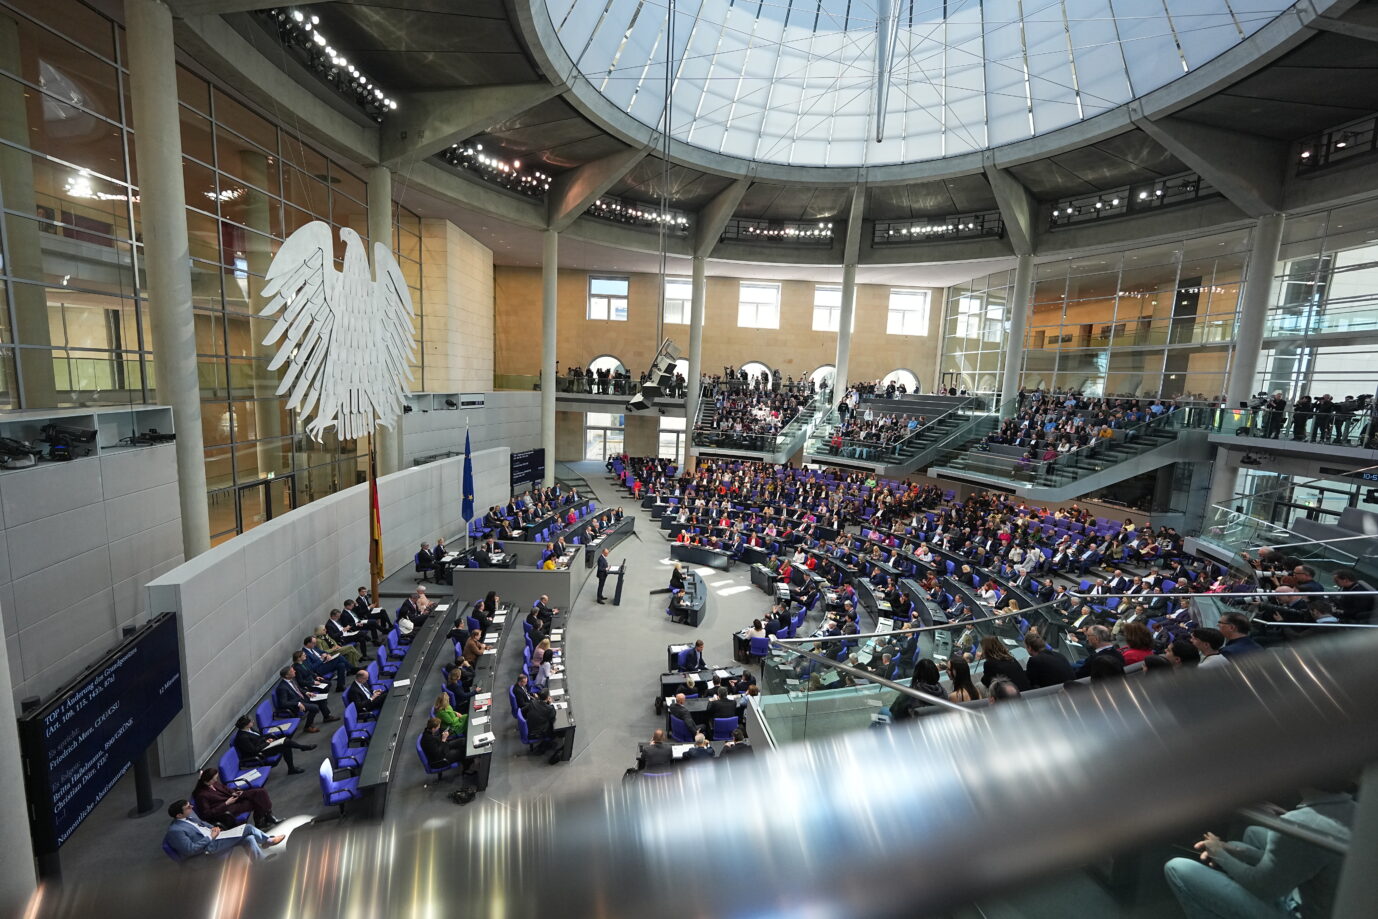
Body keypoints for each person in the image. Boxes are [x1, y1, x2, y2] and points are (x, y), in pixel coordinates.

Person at [1163, 785, 1355, 919]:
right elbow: (1301, 861)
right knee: (1251, 835)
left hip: (1295, 913)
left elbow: (1262, 887)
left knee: (1177, 868)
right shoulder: (1356, 810)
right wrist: (1235, 851)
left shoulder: (1300, 823)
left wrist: (1219, 854)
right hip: (1317, 904)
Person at [163, 799, 283, 863]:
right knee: (247, 828)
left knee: (249, 838)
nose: (192, 808)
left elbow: (203, 825)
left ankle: (260, 862)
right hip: (208, 848)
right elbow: (190, 850)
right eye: (188, 807)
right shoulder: (175, 831)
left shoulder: (189, 816)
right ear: (178, 815)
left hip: (217, 837)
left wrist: (213, 829)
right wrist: (211, 837)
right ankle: (268, 840)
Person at [192, 767, 279, 830]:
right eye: (214, 779)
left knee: (261, 792)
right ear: (206, 780)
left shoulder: (213, 783)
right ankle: (264, 818)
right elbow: (207, 814)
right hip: (226, 809)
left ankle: (266, 816)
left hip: (232, 798)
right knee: (256, 801)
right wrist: (226, 803)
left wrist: (233, 792)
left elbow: (225, 788)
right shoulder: (201, 795)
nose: (216, 781)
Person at [233, 714, 313, 776]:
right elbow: (254, 750)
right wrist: (267, 742)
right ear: (246, 725)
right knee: (285, 744)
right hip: (260, 753)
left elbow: (259, 737)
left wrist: (268, 738)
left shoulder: (249, 729)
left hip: (264, 745)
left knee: (285, 743)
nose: (253, 722)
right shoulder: (242, 737)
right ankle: (302, 748)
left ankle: (292, 767)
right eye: (251, 721)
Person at [273, 665, 331, 733]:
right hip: (295, 704)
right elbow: (284, 703)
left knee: (321, 699)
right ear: (287, 675)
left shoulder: (292, 679)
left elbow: (298, 689)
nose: (295, 671)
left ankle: (327, 717)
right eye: (292, 671)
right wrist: (298, 704)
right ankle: (307, 727)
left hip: (301, 698)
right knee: (314, 708)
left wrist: (306, 692)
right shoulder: (282, 688)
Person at [524, 688, 564, 765]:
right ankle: (550, 741)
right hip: (538, 731)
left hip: (530, 726)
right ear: (548, 697)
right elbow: (552, 718)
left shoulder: (533, 702)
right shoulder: (549, 708)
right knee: (556, 729)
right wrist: (550, 703)